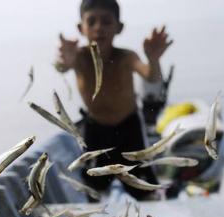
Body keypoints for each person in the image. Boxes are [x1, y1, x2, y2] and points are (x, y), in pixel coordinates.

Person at [55, 0, 173, 200]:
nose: (98, 27)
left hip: (129, 130)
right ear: (80, 28)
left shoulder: (126, 57)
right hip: (95, 131)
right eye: (91, 21)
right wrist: (62, 60)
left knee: (144, 189)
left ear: (119, 27)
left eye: (106, 21)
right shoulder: (80, 57)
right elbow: (62, 66)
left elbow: (151, 76)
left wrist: (153, 59)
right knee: (94, 190)